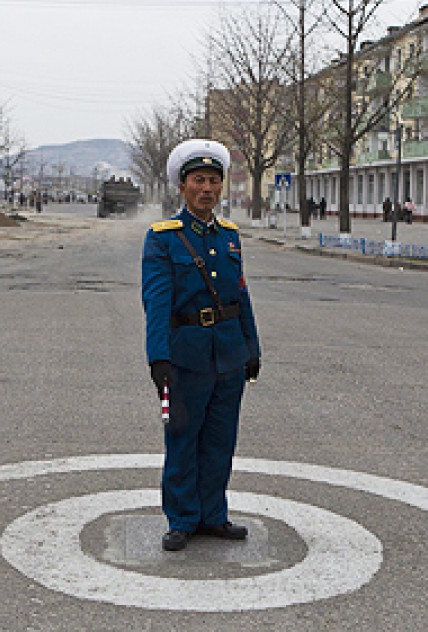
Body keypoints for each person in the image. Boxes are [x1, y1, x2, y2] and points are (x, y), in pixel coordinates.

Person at [142, 138, 261, 553]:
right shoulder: (163, 238)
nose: (207, 188)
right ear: (183, 186)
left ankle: (213, 515)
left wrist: (252, 345)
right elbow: (155, 303)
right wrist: (158, 358)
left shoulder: (229, 236)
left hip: (228, 355)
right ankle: (182, 518)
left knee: (220, 440)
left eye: (213, 180)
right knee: (182, 438)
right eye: (198, 180)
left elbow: (240, 295)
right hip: (185, 355)